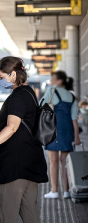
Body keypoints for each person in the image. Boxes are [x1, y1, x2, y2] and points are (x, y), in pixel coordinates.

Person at [0, 56, 48, 223]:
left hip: (14, 166)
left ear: (13, 75)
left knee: (8, 215)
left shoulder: (17, 97)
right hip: (30, 163)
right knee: (31, 214)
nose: (0, 80)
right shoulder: (29, 93)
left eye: (1, 77)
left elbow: (12, 127)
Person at [42, 71, 81, 199]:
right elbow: (74, 119)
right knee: (66, 162)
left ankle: (54, 191)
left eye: (53, 78)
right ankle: (66, 191)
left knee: (53, 162)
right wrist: (77, 137)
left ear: (59, 81)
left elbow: (40, 106)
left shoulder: (52, 91)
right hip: (68, 131)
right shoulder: (71, 96)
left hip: (54, 131)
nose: (51, 81)